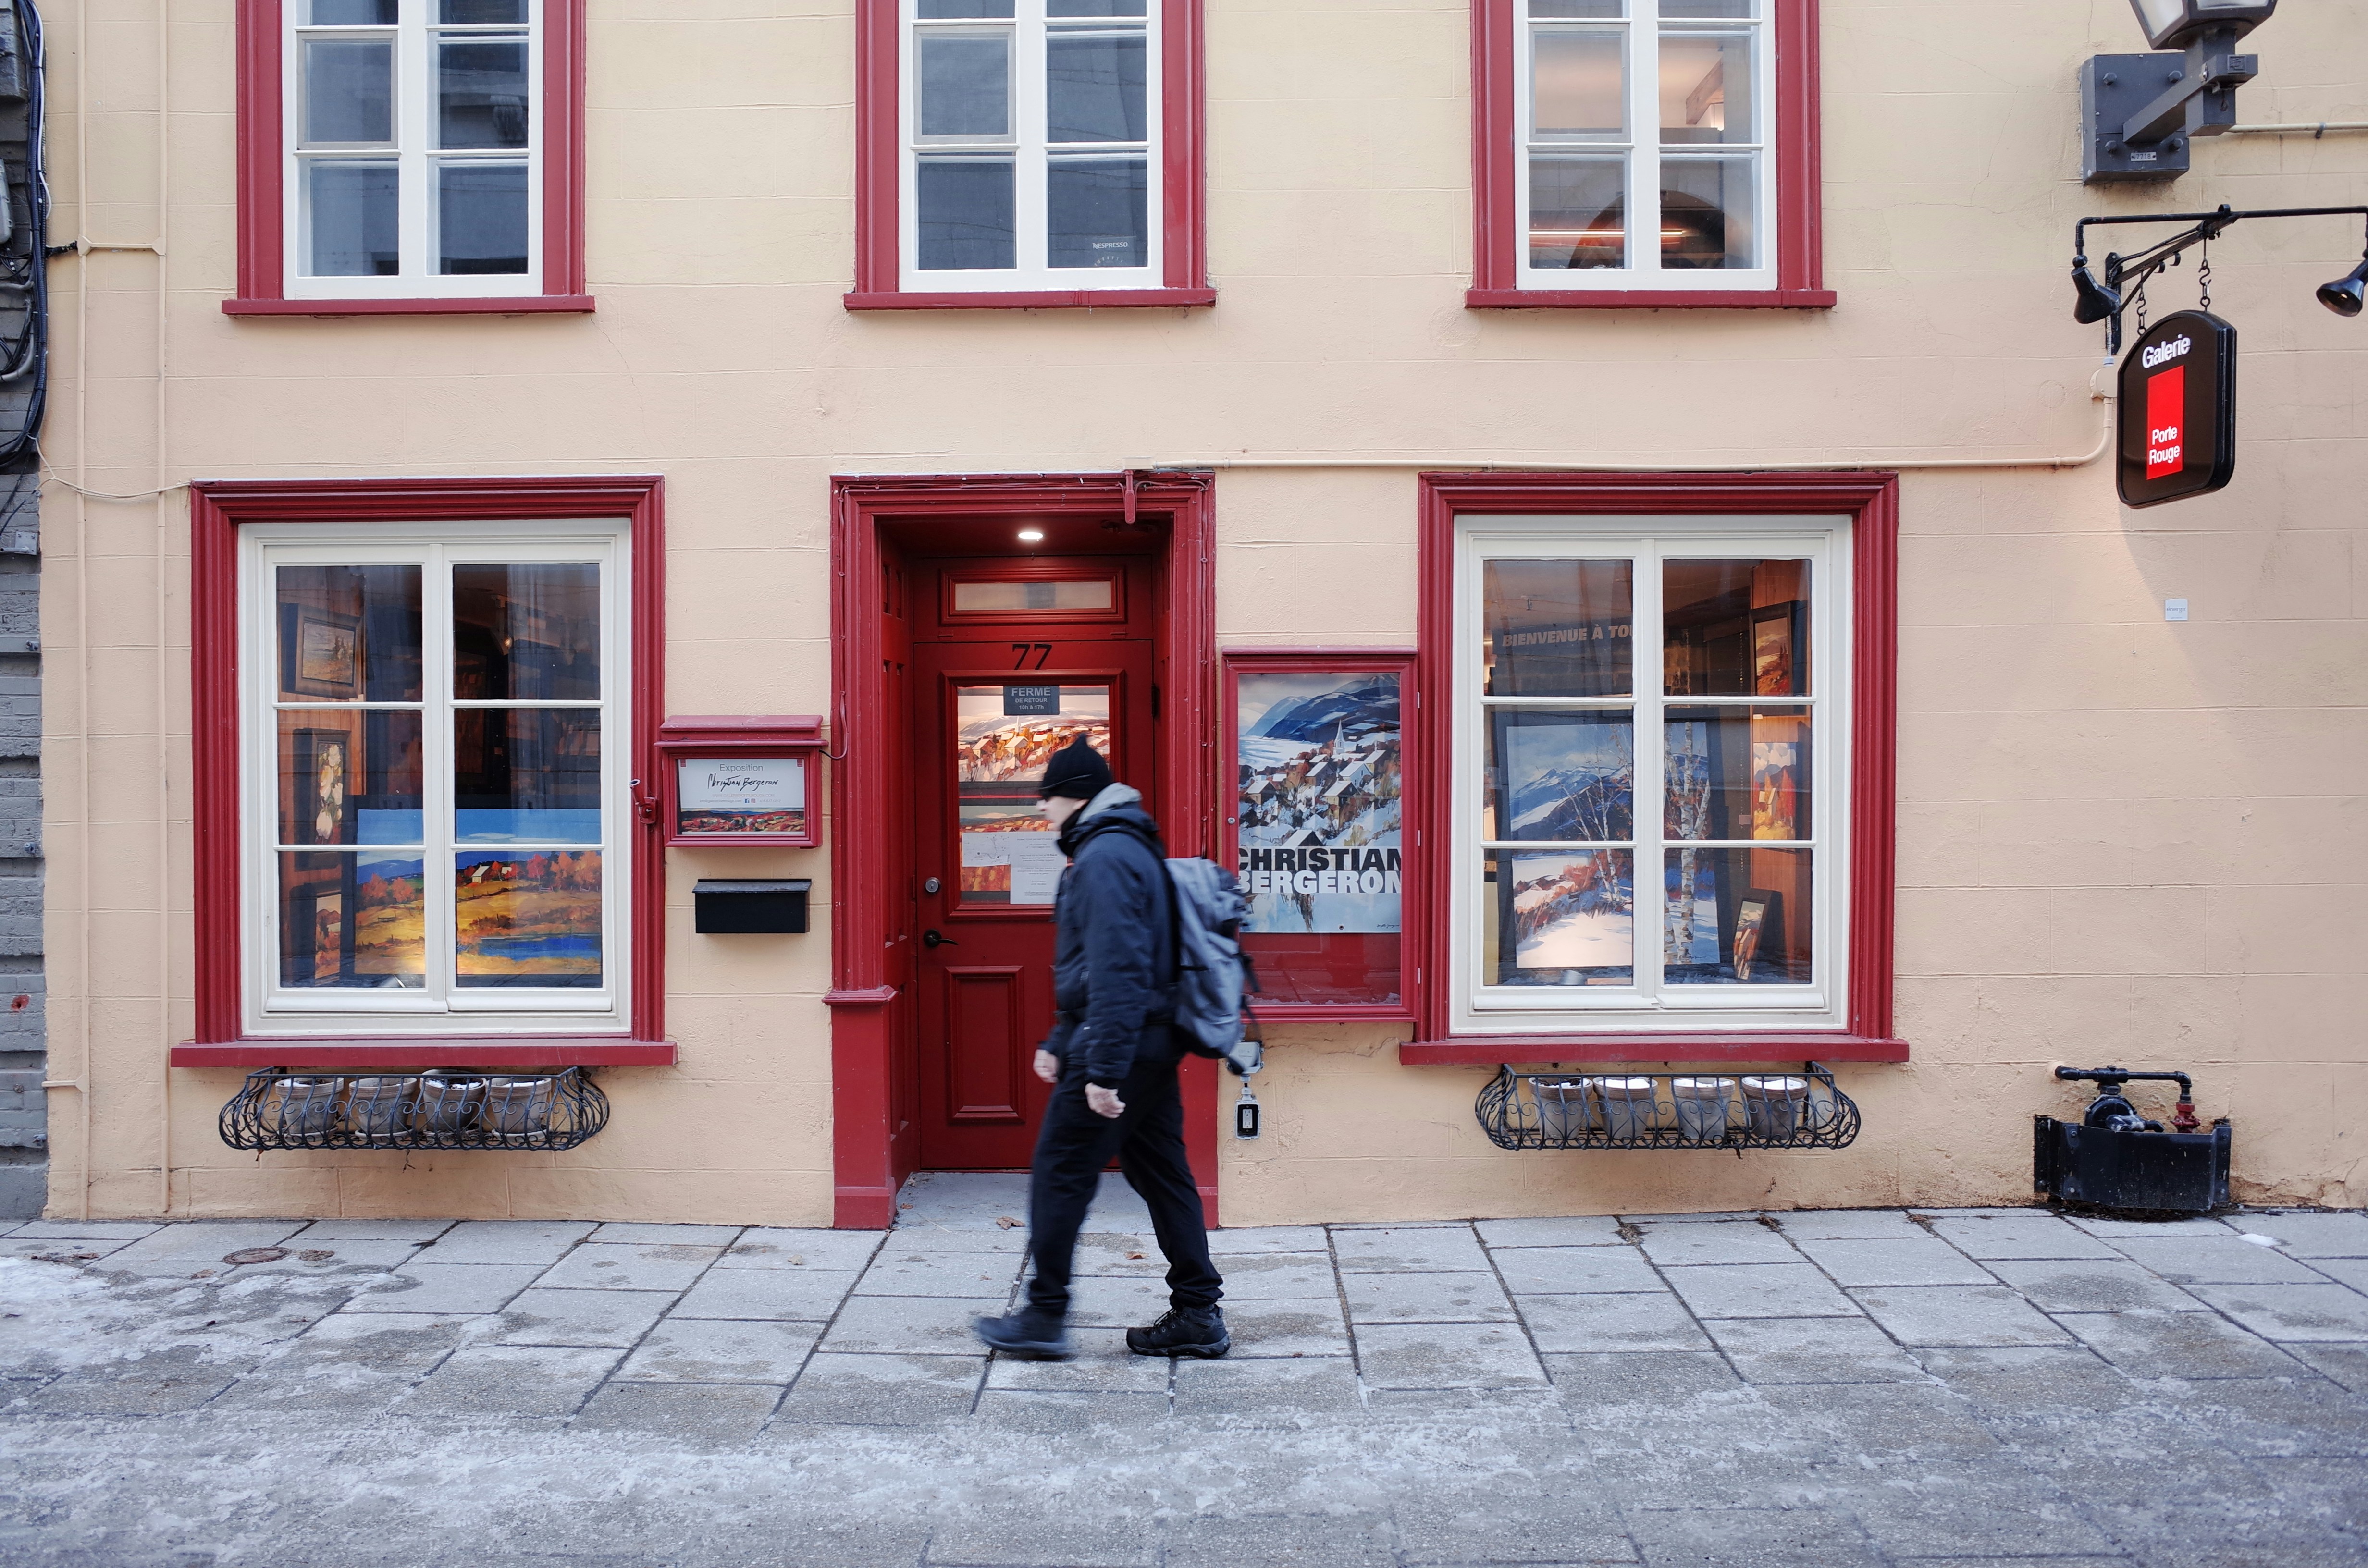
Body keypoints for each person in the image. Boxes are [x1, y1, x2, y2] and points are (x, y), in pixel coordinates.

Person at [973, 735, 1229, 1361]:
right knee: (1163, 1173)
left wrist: (1103, 1071)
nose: (1045, 815)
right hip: (1149, 1040)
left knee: (1061, 1172)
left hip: (1122, 1045)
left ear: (1075, 798)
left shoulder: (1103, 858)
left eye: (1049, 802)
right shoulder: (1127, 844)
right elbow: (1097, 964)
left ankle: (1044, 1314)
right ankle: (1198, 1312)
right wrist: (1061, 1038)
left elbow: (1119, 969)